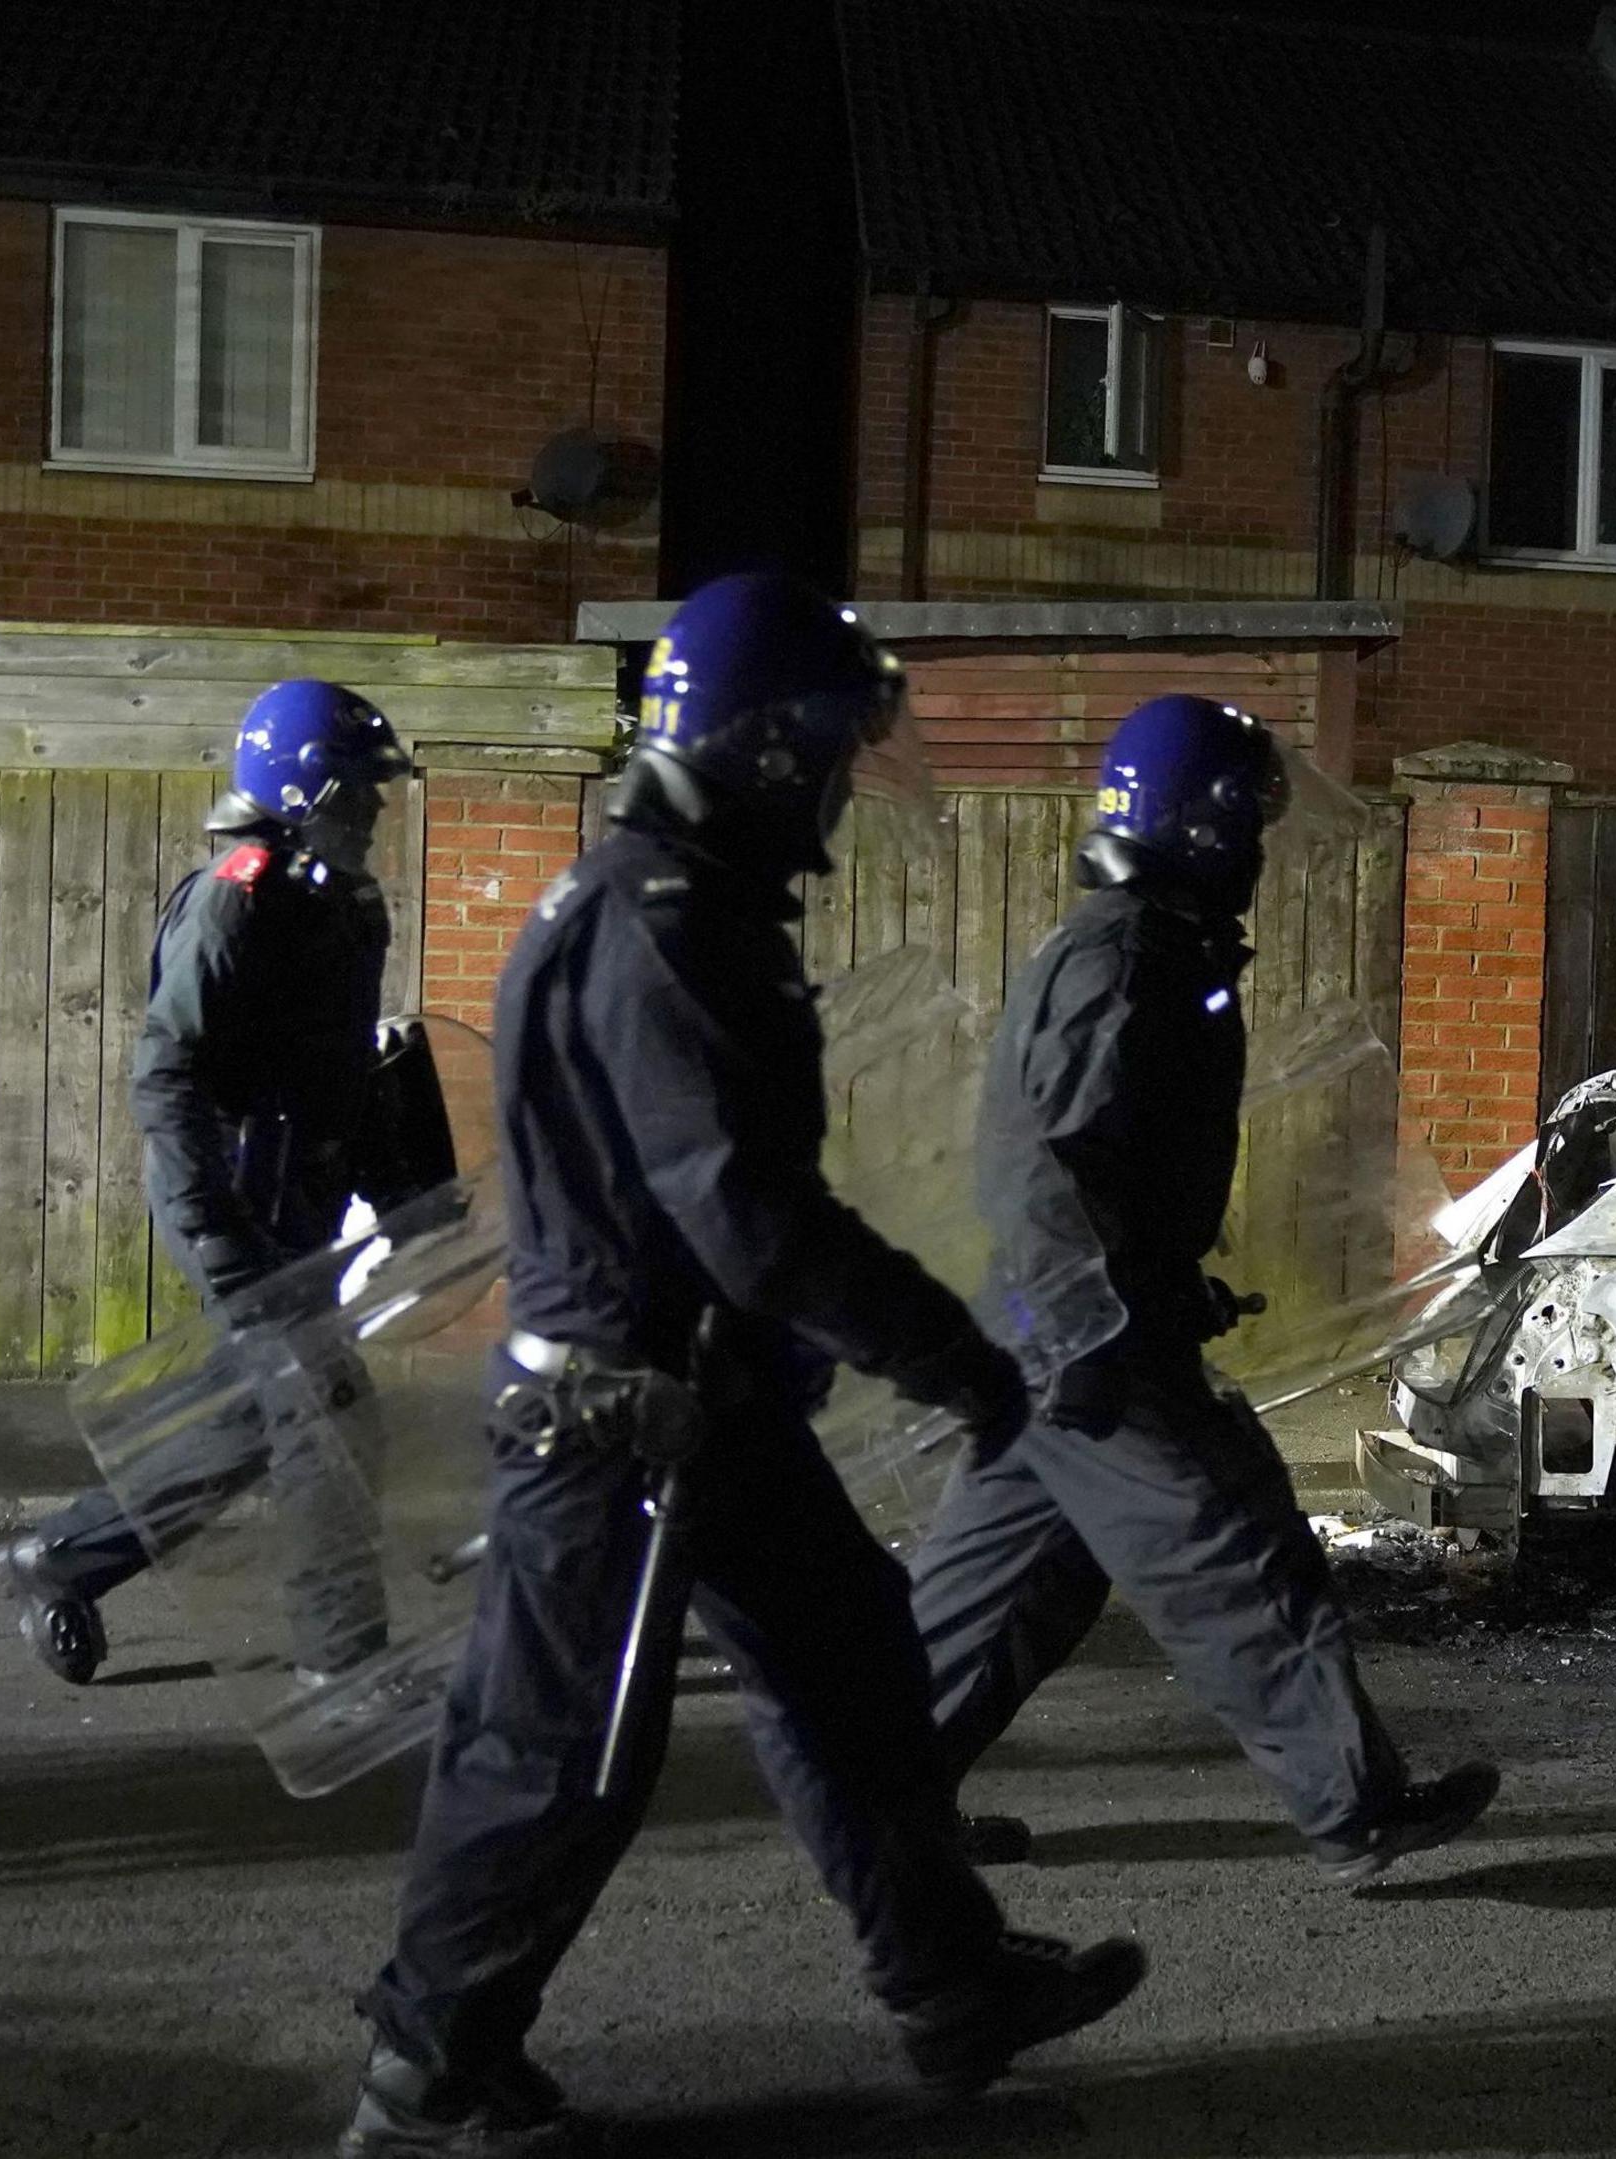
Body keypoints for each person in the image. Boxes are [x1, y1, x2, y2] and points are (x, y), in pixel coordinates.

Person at [342, 575, 1141, 2156]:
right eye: (836, 744)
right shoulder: (666, 926)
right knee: (558, 1750)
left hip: (708, 1403)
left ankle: (951, 1982)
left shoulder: (665, 900)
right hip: (624, 1421)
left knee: (857, 1678)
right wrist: (951, 1354)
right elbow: (751, 1216)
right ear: (766, 747)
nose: (848, 778)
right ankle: (424, 2075)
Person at [906, 693, 1496, 1888]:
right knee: (1241, 1554)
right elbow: (1046, 1169)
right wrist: (1103, 1331)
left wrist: (1166, 1290)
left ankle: (877, 1802)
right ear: (1206, 823)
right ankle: (1358, 1810)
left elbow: (1112, 1170)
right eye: (1253, 825)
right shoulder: (1125, 958)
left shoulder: (1157, 947)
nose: (1265, 852)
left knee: (1006, 1588)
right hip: (1088, 1348)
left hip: (1063, 1335)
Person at [0, 681, 418, 1686]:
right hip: (232, 1198)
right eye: (361, 793)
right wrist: (214, 1231)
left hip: (298, 1199)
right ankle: (343, 1665)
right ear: (308, 793)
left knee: (258, 1414)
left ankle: (61, 1557)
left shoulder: (343, 903)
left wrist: (394, 1177)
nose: (377, 812)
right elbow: (167, 1072)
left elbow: (340, 1061)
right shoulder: (239, 895)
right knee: (326, 1414)